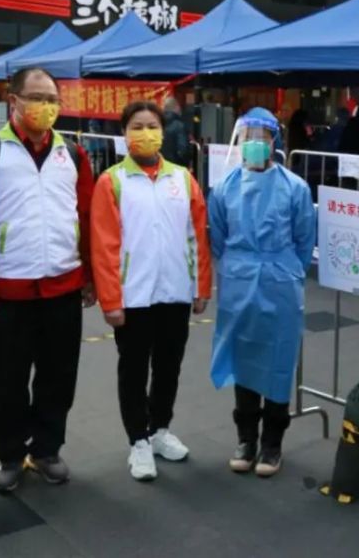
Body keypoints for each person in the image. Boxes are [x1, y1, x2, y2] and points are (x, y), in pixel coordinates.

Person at [0, 67, 96, 493]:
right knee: (10, 379)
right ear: (13, 101)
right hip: (9, 291)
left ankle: (48, 449)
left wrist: (89, 275)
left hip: (63, 285)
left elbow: (87, 219)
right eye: (36, 97)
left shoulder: (73, 155)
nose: (45, 106)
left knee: (58, 376)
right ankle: (11, 454)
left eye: (52, 98)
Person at [91, 101, 212, 481]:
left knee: (169, 366)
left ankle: (160, 430)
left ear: (163, 131)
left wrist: (200, 286)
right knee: (133, 368)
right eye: (137, 126)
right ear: (125, 133)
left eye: (152, 125)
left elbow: (197, 238)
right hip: (133, 296)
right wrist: (111, 299)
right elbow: (104, 245)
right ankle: (138, 441)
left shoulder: (182, 178)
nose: (146, 133)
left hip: (175, 291)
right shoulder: (111, 181)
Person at [208, 107, 316, 478]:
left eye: (262, 136)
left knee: (278, 360)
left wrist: (284, 269)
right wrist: (243, 265)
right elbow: (217, 238)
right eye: (248, 135)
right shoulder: (224, 188)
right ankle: (246, 438)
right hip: (239, 279)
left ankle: (272, 443)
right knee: (244, 358)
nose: (255, 143)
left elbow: (305, 240)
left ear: (275, 142)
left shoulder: (294, 188)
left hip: (280, 279)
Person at [161, 96, 191, 168]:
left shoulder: (158, 123)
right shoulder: (179, 126)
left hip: (161, 167)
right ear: (177, 107)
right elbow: (183, 150)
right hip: (175, 167)